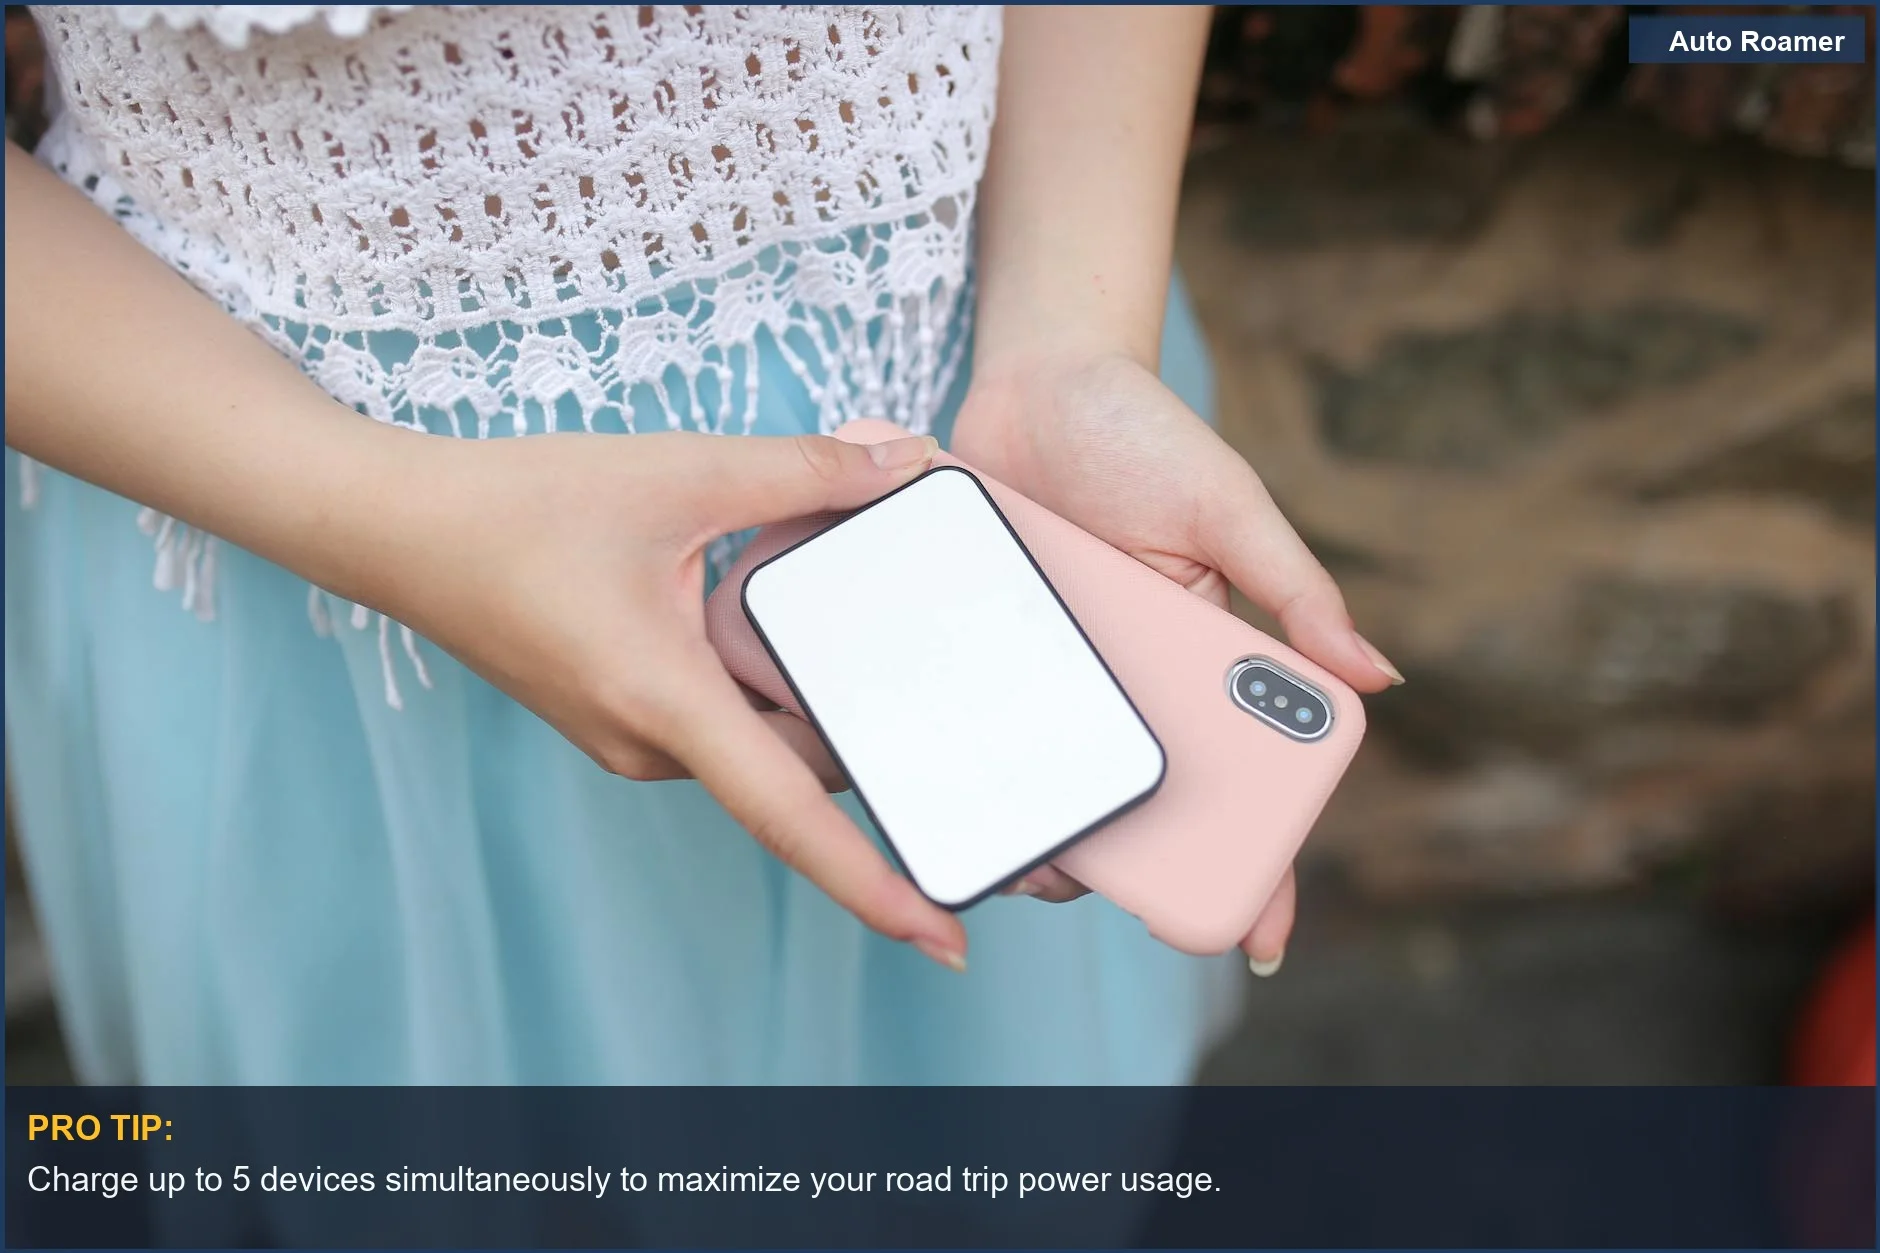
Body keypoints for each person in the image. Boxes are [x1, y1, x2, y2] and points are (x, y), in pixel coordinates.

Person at [4, 5, 1401, 1085]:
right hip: (323, 543)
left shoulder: (1033, 385)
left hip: (992, 406)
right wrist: (384, 519)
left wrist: (1073, 342)